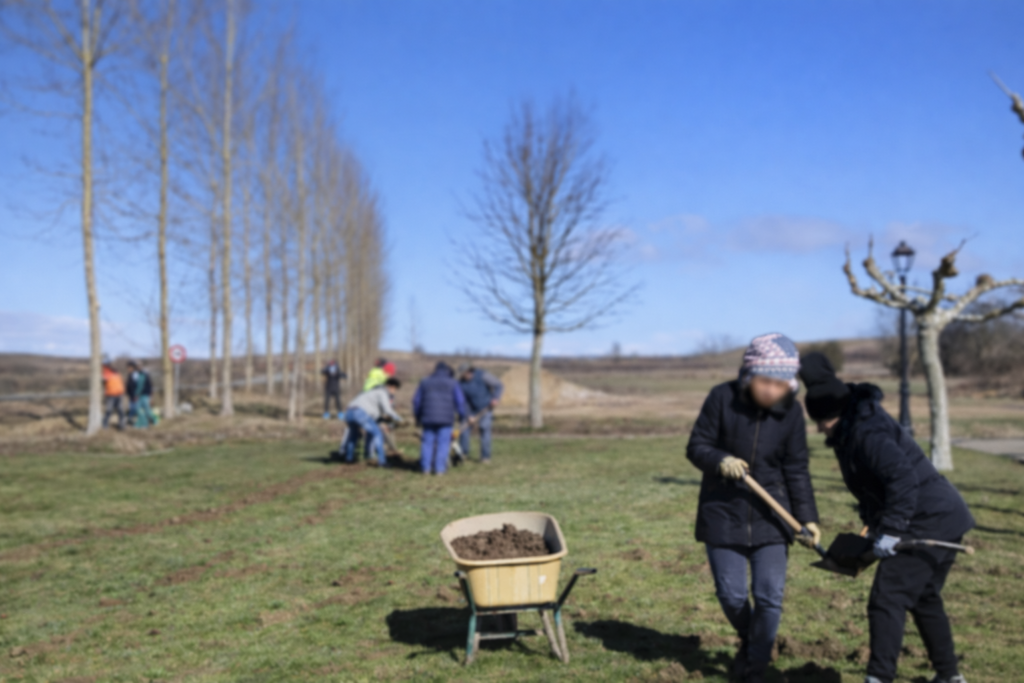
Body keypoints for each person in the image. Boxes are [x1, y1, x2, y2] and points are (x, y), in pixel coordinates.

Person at [800, 352, 974, 683]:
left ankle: (879, 677)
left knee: (887, 597)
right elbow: (872, 487)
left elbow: (903, 480)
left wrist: (892, 530)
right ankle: (950, 677)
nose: (820, 428)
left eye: (821, 420)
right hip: (942, 514)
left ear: (836, 413)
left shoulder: (867, 433)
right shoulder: (851, 428)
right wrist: (872, 527)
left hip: (929, 518)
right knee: (923, 597)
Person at [686, 333, 819, 683]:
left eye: (780, 384)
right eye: (765, 381)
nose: (772, 390)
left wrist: (807, 517)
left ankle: (756, 666)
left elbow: (797, 468)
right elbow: (697, 445)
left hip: (772, 517)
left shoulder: (791, 413)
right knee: (730, 594)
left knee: (769, 596)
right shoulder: (721, 398)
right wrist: (720, 460)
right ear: (749, 374)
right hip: (722, 512)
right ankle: (752, 639)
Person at [412, 361, 467, 476]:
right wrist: (462, 415)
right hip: (446, 419)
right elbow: (460, 401)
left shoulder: (425, 382)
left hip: (428, 418)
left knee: (427, 443)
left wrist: (417, 417)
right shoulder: (453, 383)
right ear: (447, 371)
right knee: (443, 443)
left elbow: (416, 401)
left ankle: (425, 468)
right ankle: (439, 469)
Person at [341, 377, 403, 466]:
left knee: (353, 435)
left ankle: (349, 458)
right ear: (391, 386)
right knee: (378, 433)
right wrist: (400, 419)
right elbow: (387, 410)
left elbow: (375, 413)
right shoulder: (382, 393)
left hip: (348, 412)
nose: (395, 392)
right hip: (359, 412)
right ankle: (382, 461)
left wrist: (384, 420)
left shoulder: (371, 391)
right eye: (395, 389)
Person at [457, 362, 504, 464]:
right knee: (463, 430)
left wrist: (495, 398)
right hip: (471, 408)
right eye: (463, 374)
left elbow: (499, 385)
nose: (466, 376)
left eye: (467, 373)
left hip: (486, 407)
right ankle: (463, 454)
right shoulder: (460, 384)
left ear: (470, 371)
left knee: (484, 429)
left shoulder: (483, 375)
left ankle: (485, 457)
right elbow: (463, 401)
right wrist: (469, 415)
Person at [125, 361, 156, 428]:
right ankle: (144, 423)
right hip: (139, 395)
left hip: (144, 394)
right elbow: (133, 385)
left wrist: (151, 396)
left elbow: (143, 386)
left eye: (139, 366)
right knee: (138, 409)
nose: (138, 367)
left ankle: (152, 421)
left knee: (146, 409)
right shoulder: (136, 374)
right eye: (137, 366)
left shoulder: (144, 374)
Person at [101, 360, 126, 429]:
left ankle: (122, 425)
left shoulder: (115, 372)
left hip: (118, 394)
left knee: (120, 410)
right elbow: (103, 380)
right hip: (111, 395)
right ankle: (105, 424)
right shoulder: (106, 372)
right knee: (109, 410)